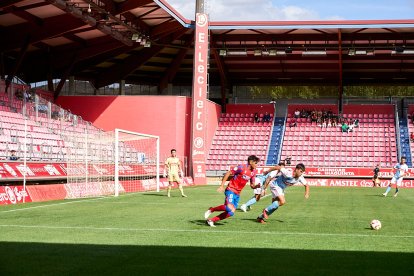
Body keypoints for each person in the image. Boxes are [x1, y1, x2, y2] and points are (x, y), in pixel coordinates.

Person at [204, 155, 260, 227]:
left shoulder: (254, 172)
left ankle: (211, 220)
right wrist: (222, 186)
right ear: (250, 162)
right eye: (256, 163)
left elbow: (252, 185)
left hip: (238, 193)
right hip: (231, 189)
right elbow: (228, 173)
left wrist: (256, 186)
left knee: (231, 213)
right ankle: (212, 209)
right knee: (229, 208)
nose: (257, 165)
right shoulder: (241, 168)